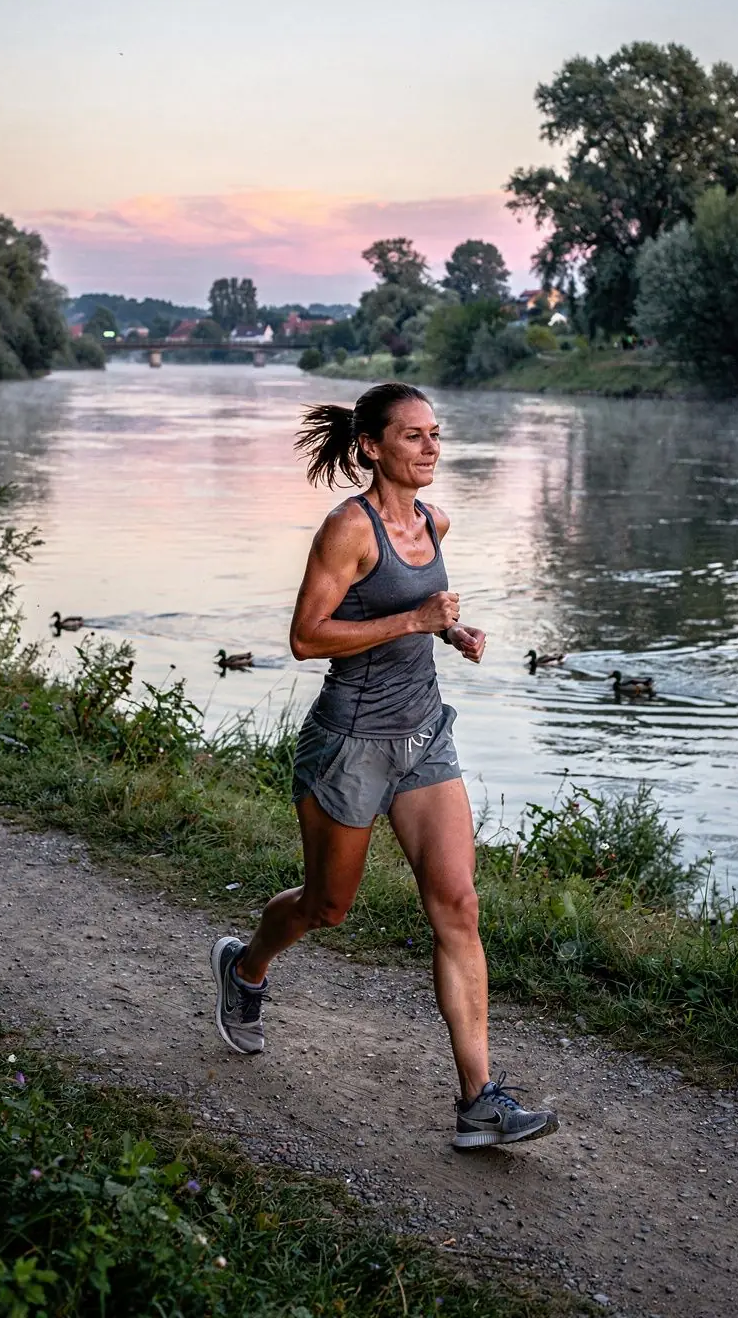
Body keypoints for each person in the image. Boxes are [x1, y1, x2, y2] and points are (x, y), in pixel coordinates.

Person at [211, 382, 559, 1149]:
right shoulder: (348, 529)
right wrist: (414, 619)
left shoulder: (434, 520)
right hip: (350, 742)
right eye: (413, 436)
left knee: (458, 907)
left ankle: (480, 1101)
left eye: (436, 434)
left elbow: (414, 614)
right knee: (326, 907)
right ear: (371, 446)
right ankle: (246, 967)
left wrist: (451, 633)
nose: (431, 448)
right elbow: (308, 636)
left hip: (424, 736)